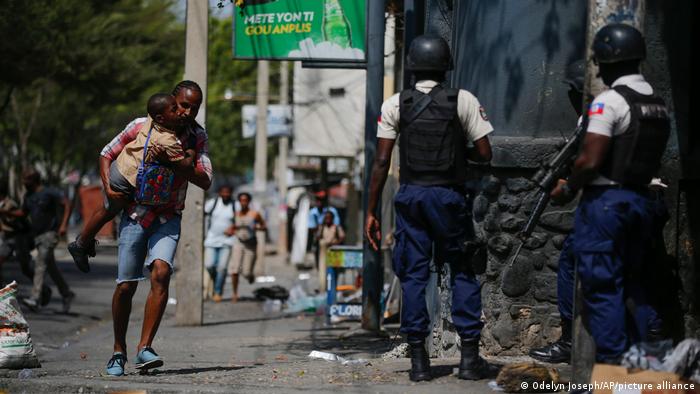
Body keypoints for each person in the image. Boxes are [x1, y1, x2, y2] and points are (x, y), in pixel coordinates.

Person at [365, 35, 496, 381]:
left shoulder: (395, 104)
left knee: (413, 275)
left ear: (411, 66)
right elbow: (485, 153)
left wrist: (371, 211)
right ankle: (469, 359)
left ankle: (419, 363)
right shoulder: (463, 100)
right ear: (445, 66)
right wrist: (457, 155)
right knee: (462, 269)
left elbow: (381, 161)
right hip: (450, 198)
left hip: (411, 197)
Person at [550, 24, 671, 364]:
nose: (598, 69)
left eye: (600, 61)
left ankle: (613, 370)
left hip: (607, 204)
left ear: (609, 61)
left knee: (603, 290)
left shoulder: (610, 101)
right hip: (641, 202)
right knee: (635, 287)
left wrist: (568, 186)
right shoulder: (657, 104)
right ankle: (645, 367)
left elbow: (589, 159)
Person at [96, 81, 212, 376]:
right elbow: (107, 153)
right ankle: (118, 350)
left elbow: (205, 178)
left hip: (168, 215)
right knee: (126, 285)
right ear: (171, 102)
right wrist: (109, 189)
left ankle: (144, 348)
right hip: (136, 213)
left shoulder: (197, 137)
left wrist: (175, 163)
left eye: (193, 108)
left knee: (161, 272)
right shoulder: (140, 125)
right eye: (183, 105)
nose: (187, 112)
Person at [68, 93, 197, 273]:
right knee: (110, 209)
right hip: (125, 180)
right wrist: (191, 148)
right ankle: (81, 244)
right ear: (160, 117)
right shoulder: (168, 140)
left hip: (119, 168)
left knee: (108, 210)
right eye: (175, 109)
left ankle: (85, 241)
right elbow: (186, 164)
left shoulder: (149, 124)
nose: (181, 113)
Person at [16, 169, 75, 313]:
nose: (24, 182)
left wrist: (63, 225)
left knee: (40, 263)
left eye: (26, 179)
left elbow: (67, 204)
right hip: (36, 236)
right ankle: (66, 294)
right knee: (51, 268)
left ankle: (35, 298)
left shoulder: (49, 192)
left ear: (34, 180)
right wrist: (6, 212)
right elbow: (23, 213)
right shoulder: (28, 196)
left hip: (50, 234)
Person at [226, 192, 265, 303]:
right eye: (241, 200)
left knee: (246, 272)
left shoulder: (254, 214)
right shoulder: (236, 214)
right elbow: (233, 226)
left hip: (250, 244)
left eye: (245, 200)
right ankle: (235, 293)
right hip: (239, 242)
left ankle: (250, 276)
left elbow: (263, 225)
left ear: (248, 202)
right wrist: (230, 230)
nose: (243, 202)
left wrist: (258, 227)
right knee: (235, 269)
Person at [203, 185, 235, 302]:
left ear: (231, 193)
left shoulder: (235, 205)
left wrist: (234, 227)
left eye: (228, 192)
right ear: (220, 193)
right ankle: (215, 280)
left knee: (222, 268)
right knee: (209, 265)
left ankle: (218, 291)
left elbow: (241, 219)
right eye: (223, 192)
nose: (226, 195)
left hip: (227, 241)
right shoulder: (213, 203)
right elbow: (203, 214)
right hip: (211, 240)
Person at [316, 211, 345, 292]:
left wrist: (335, 242)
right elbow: (318, 237)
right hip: (324, 252)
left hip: (334, 252)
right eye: (326, 218)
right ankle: (323, 288)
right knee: (323, 271)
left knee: (334, 271)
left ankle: (333, 288)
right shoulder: (322, 227)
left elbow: (342, 237)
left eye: (329, 218)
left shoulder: (336, 227)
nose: (327, 220)